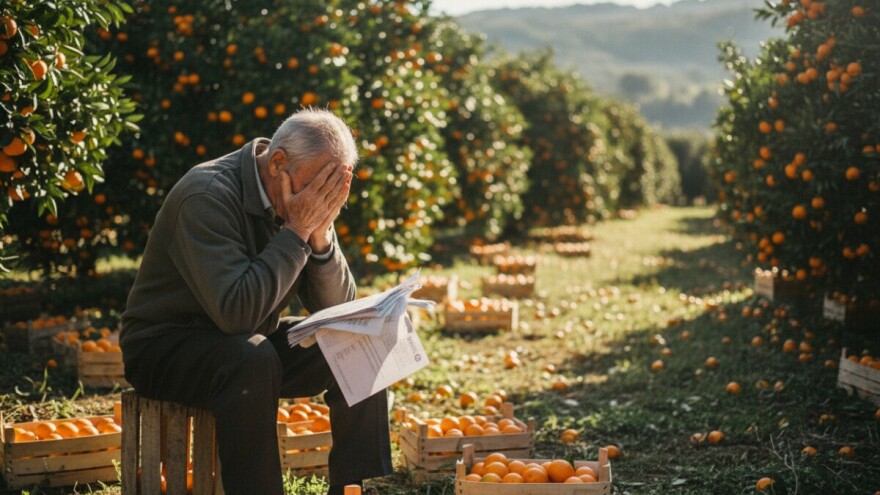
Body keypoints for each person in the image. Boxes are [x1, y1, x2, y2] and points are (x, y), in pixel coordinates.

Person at [120, 108, 391, 495]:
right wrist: (297, 229)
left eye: (334, 190)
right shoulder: (206, 196)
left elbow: (340, 309)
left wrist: (319, 236)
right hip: (165, 347)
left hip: (245, 341)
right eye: (319, 186)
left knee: (357, 338)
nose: (322, 199)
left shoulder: (298, 194)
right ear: (277, 162)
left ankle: (354, 487)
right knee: (253, 356)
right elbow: (236, 315)